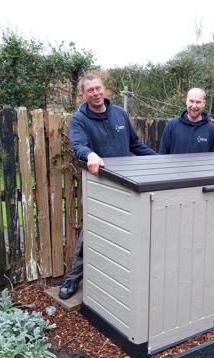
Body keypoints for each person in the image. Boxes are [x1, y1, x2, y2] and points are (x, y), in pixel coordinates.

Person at [60, 74, 156, 299]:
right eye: (90, 90)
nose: (95, 93)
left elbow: (135, 145)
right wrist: (91, 154)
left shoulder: (120, 114)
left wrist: (159, 160)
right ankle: (72, 279)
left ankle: (117, 281)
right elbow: (79, 146)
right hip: (99, 186)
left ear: (104, 89)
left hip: (126, 185)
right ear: (83, 94)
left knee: (123, 233)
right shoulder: (79, 120)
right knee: (93, 230)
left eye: (98, 88)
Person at [158, 88, 214, 154]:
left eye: (198, 102)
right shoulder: (172, 125)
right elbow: (162, 155)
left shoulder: (212, 129)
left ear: (204, 103)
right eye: (191, 101)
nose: (194, 106)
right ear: (186, 101)